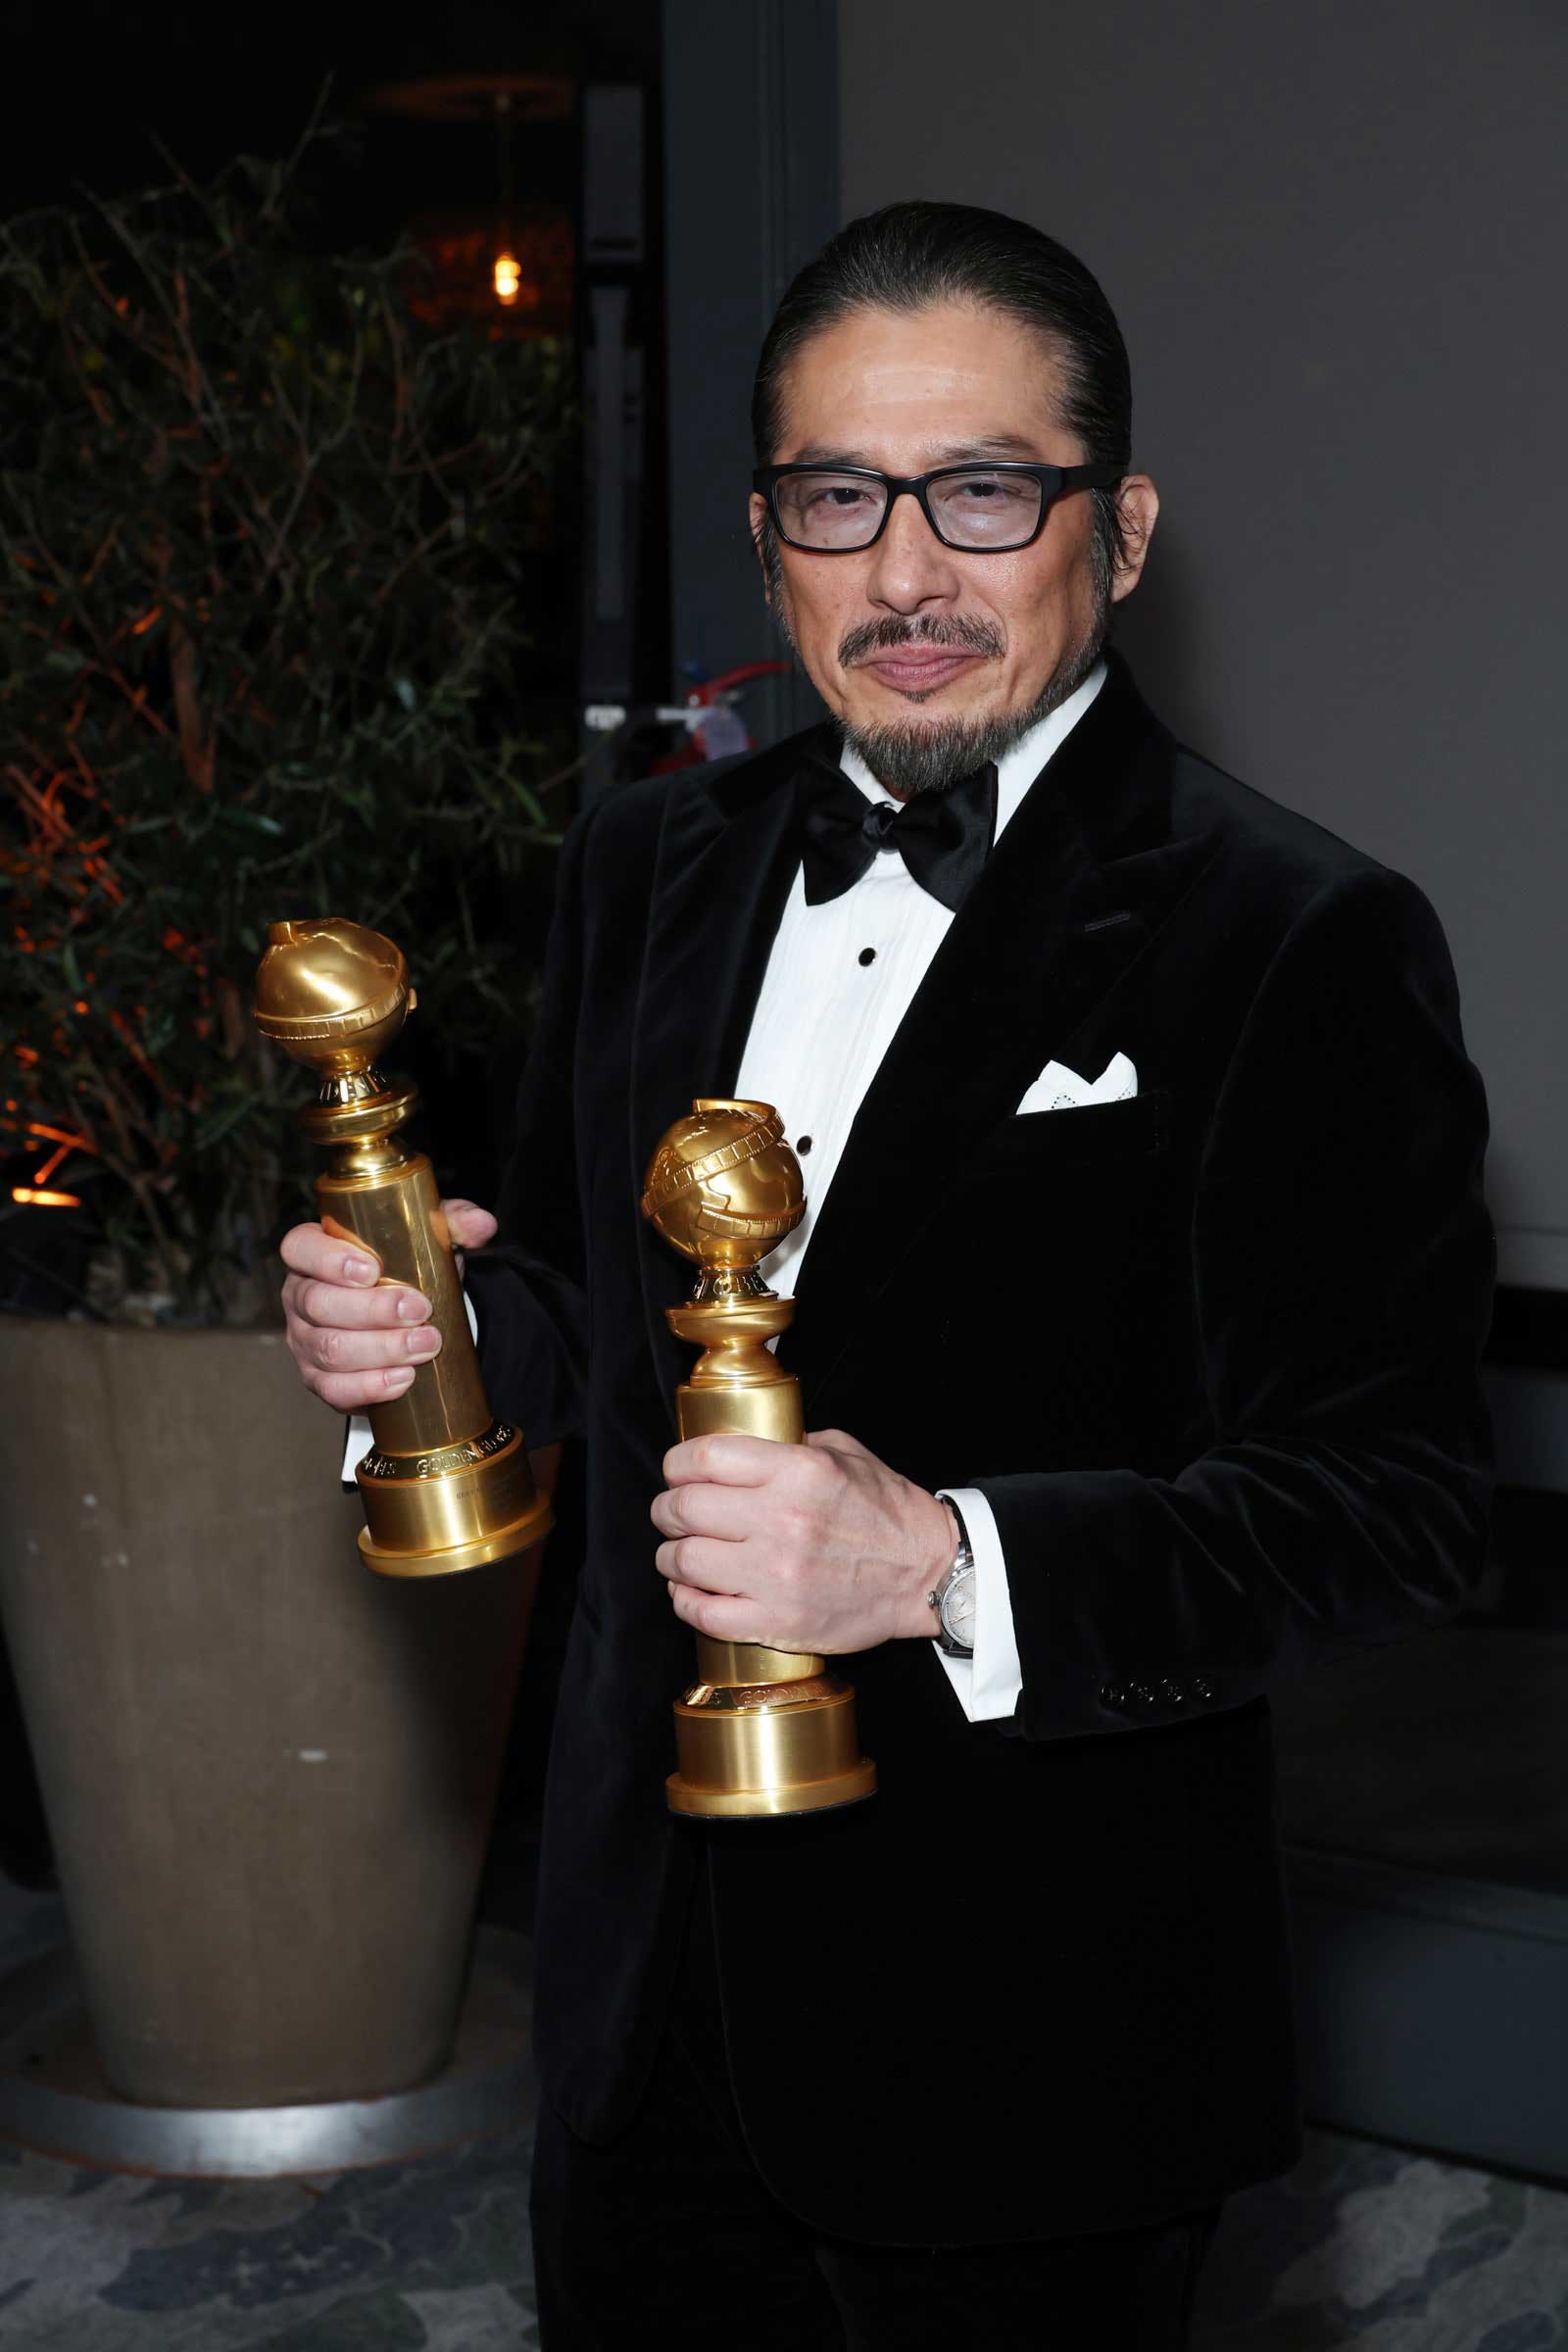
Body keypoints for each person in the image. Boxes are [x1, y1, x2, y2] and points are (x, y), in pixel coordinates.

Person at [278, 203, 1494, 2347]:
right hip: (636, 2004)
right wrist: (442, 1341)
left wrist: (941, 1563)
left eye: (981, 491)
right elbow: (582, 1311)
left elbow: (1383, 1507)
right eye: (839, 497)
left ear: (1112, 533)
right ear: (768, 540)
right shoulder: (641, 862)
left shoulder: (1295, 936)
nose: (906, 572)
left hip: (1032, 2039)